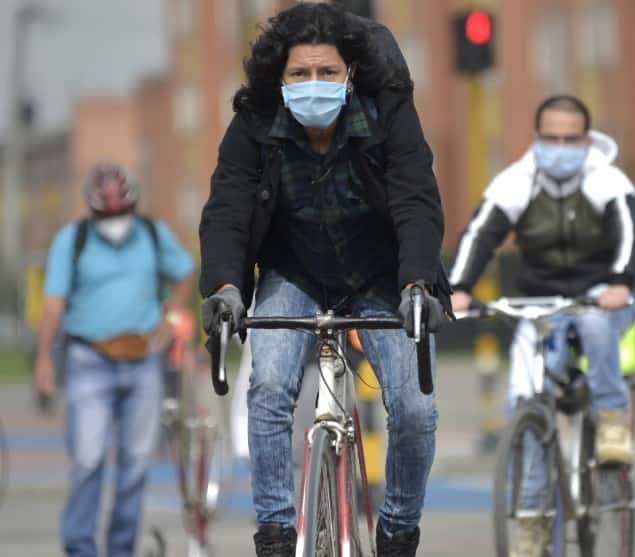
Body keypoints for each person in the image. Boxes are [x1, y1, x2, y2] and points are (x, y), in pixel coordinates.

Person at [197, 4, 449, 556]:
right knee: (266, 390)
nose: (314, 83)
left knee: (414, 408)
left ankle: (399, 532)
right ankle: (276, 533)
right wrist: (224, 288)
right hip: (294, 271)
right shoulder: (256, 122)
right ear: (280, 78)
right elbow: (228, 208)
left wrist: (417, 285)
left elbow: (416, 199)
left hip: (381, 274)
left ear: (350, 74)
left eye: (327, 73)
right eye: (300, 74)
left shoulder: (388, 112)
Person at [449, 94, 635, 555]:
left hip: (601, 295)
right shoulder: (518, 180)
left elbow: (632, 236)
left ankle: (612, 419)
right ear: (537, 139)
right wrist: (458, 287)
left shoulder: (607, 180)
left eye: (570, 139)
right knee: (527, 401)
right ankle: (533, 522)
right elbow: (481, 233)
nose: (560, 146)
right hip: (539, 304)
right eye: (551, 138)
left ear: (586, 140)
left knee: (596, 326)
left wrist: (620, 282)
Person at [32, 161, 194, 557]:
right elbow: (53, 305)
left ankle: (121, 549)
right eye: (108, 214)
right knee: (88, 460)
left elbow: (185, 271)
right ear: (92, 210)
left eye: (123, 213)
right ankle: (80, 546)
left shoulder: (152, 235)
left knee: (136, 464)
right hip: (90, 360)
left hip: (143, 361)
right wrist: (44, 361)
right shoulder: (73, 241)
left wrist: (170, 317)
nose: (116, 221)